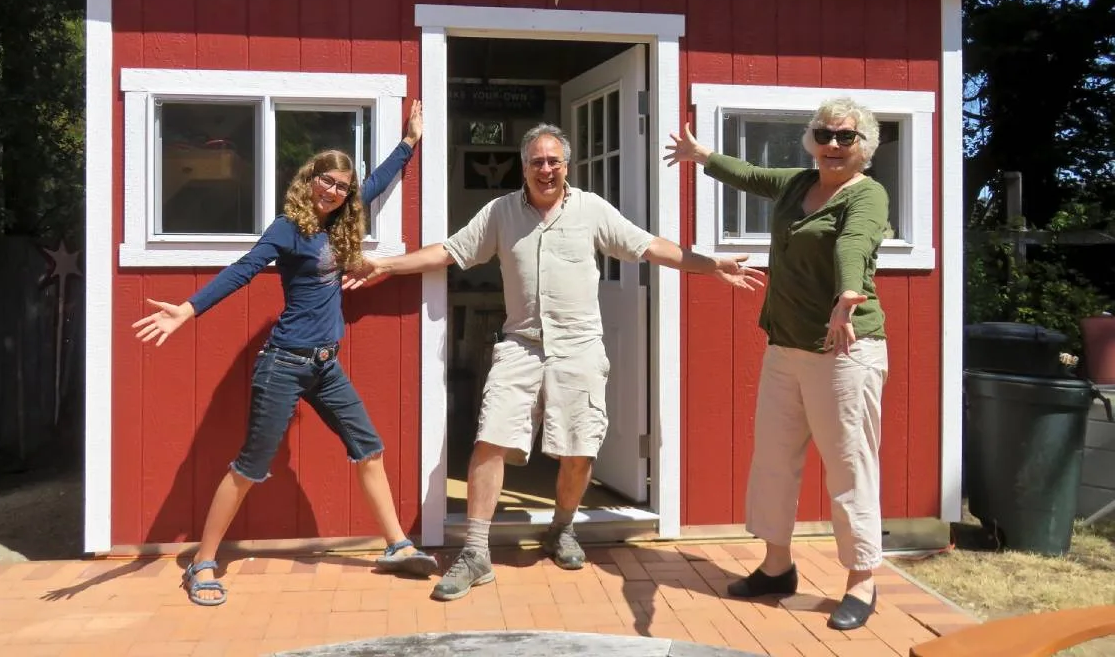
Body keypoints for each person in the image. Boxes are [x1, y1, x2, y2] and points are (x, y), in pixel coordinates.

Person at [344, 123, 764, 602]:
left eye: (554, 161)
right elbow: (450, 251)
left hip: (579, 346)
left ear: (567, 166)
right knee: (490, 440)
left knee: (580, 449)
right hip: (520, 344)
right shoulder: (501, 212)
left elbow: (649, 246)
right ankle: (476, 553)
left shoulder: (591, 210)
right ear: (523, 167)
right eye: (537, 161)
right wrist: (384, 264)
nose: (546, 169)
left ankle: (561, 529)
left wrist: (712, 264)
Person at [132, 100, 437, 607]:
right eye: (327, 182)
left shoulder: (342, 221)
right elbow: (243, 270)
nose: (334, 191)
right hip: (283, 365)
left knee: (370, 449)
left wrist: (409, 141)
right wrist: (187, 309)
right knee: (250, 467)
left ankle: (396, 547)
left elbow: (376, 183)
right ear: (309, 179)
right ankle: (201, 562)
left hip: (325, 365)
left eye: (342, 186)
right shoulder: (287, 229)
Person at [664, 97, 891, 631]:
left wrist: (849, 291)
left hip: (845, 349)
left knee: (849, 466)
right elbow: (750, 174)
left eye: (846, 137)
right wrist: (702, 156)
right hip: (786, 345)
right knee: (773, 458)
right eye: (825, 134)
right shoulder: (796, 183)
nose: (834, 144)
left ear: (865, 147)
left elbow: (854, 245)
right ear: (812, 139)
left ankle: (861, 579)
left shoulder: (869, 195)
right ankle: (776, 565)